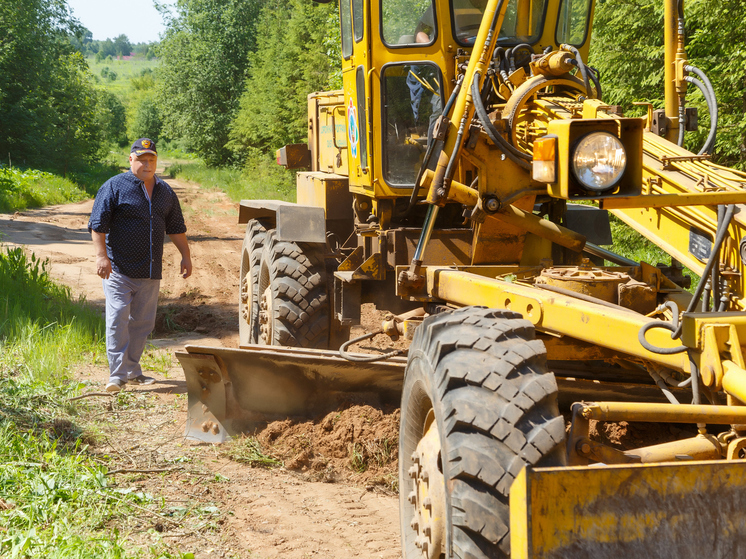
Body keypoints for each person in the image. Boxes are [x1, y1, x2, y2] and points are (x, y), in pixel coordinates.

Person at [88, 138, 192, 393]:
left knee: (142, 323)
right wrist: (102, 257)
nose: (147, 164)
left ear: (156, 161)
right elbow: (97, 225)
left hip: (150, 271)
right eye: (142, 159)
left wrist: (186, 255)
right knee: (118, 319)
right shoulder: (114, 186)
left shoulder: (165, 191)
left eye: (151, 159)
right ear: (131, 160)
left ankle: (133, 370)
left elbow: (176, 228)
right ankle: (117, 375)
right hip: (119, 269)